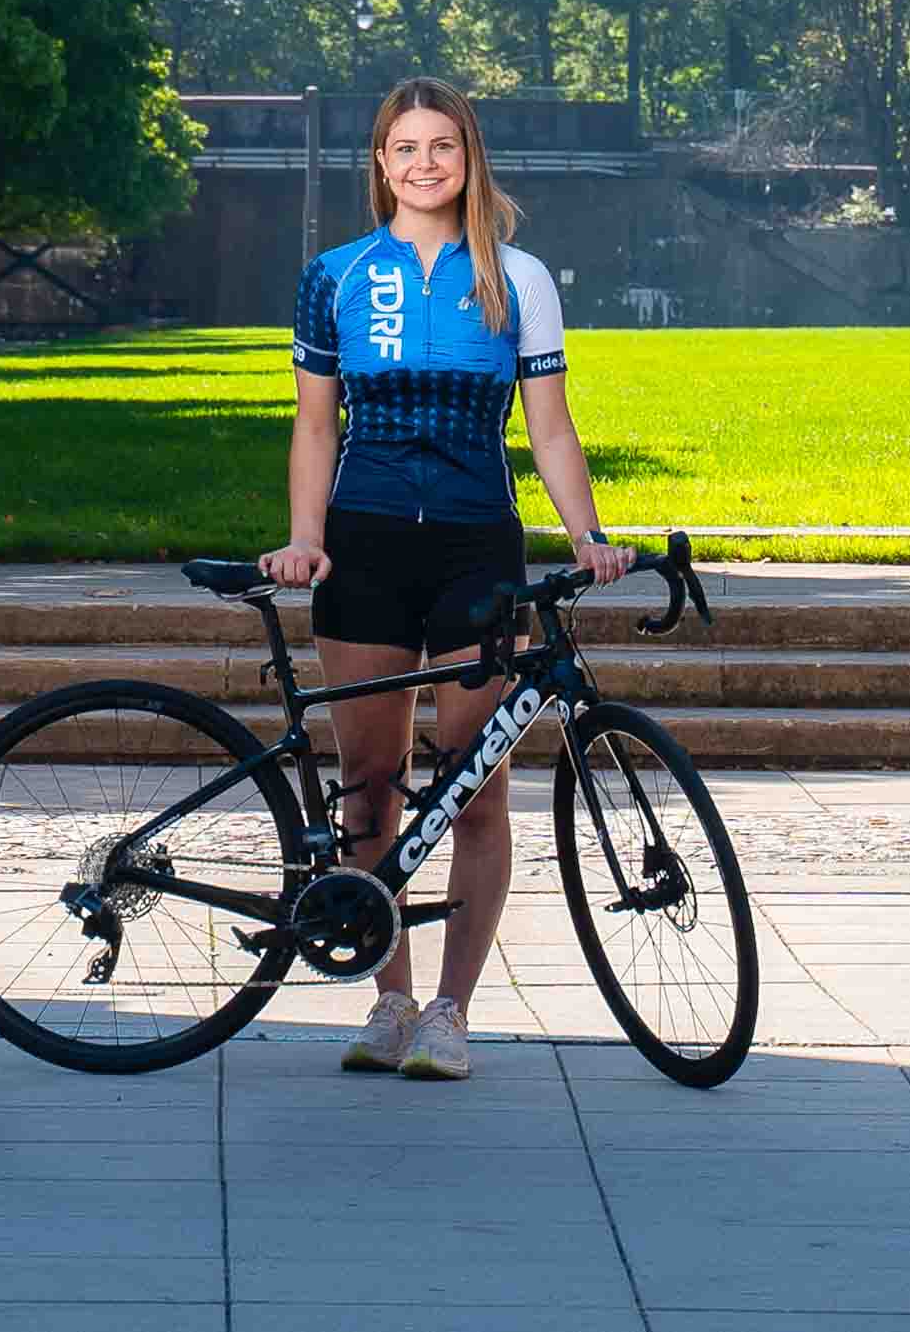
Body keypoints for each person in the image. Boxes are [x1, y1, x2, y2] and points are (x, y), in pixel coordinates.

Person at [262, 75, 632, 1082]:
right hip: (365, 543)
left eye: (442, 145)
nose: (424, 162)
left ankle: (449, 1013)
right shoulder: (334, 275)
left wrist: (587, 533)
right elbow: (313, 422)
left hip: (478, 549)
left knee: (475, 789)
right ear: (379, 163)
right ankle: (387, 998)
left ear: (469, 157)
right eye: (404, 147)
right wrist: (304, 538)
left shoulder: (517, 276)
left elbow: (549, 426)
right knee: (368, 793)